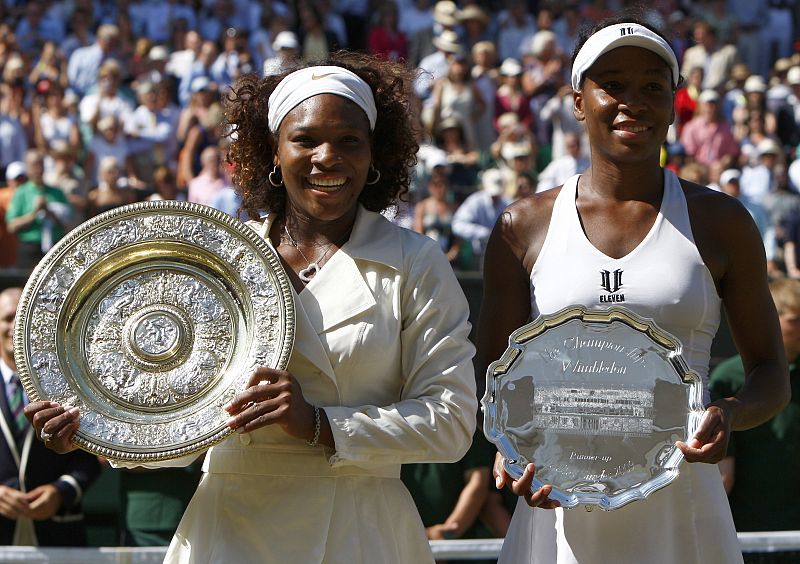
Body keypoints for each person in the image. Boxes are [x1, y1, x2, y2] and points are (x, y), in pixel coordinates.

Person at [26, 52, 477, 563]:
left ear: (375, 156)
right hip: (227, 534)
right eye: (305, 139)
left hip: (360, 534)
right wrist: (90, 433)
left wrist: (321, 424)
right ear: (272, 153)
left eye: (349, 140)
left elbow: (452, 422)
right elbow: (169, 429)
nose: (327, 157)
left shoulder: (417, 262)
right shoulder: (214, 260)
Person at [478, 17, 790, 564]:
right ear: (578, 102)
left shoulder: (723, 221)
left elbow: (771, 374)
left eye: (652, 86)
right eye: (613, 84)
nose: (633, 101)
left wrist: (728, 414)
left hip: (684, 511)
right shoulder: (521, 225)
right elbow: (492, 381)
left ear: (673, 104)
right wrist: (511, 448)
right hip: (557, 508)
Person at [0, 288, 100, 546]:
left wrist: (62, 490)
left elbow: (91, 450)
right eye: (8, 317)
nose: (15, 326)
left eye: (22, 316)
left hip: (58, 532)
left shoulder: (70, 379)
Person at [710, 278, 800, 548]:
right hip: (744, 529)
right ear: (772, 318)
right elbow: (723, 470)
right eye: (795, 319)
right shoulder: (726, 379)